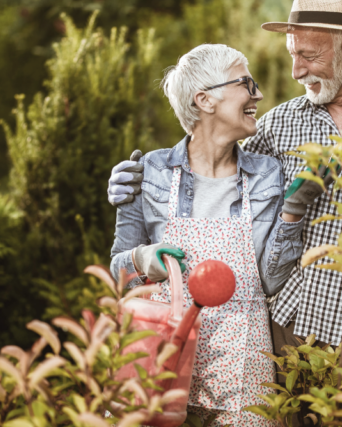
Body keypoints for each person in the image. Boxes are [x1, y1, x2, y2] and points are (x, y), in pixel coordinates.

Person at [108, 0, 342, 390]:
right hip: (290, 331)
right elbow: (208, 157)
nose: (296, 70)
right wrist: (135, 185)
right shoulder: (279, 124)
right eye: (292, 54)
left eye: (309, 56)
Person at [109, 44, 304, 427]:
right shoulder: (149, 172)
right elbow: (117, 272)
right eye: (246, 82)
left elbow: (268, 279)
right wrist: (143, 260)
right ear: (205, 99)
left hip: (242, 362)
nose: (258, 94)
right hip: (161, 350)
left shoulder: (266, 174)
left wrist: (292, 216)